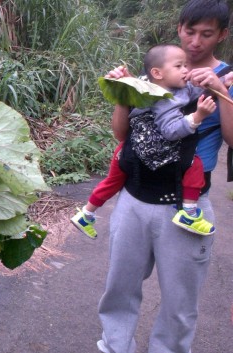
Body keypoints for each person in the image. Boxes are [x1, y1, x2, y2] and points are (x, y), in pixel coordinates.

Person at [96, 1, 233, 352]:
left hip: (187, 202)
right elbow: (122, 136)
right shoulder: (156, 70)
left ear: (222, 34)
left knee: (179, 301)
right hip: (135, 196)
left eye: (206, 34)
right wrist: (123, 92)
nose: (196, 42)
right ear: (179, 29)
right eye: (190, 32)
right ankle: (114, 346)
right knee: (119, 287)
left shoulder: (228, 77)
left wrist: (219, 90)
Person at [71, 43, 224, 239]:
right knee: (195, 165)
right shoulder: (164, 101)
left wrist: (221, 81)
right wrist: (198, 116)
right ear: (157, 73)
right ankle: (189, 212)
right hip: (148, 153)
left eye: (186, 65)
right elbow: (171, 131)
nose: (186, 70)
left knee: (111, 182)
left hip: (126, 152)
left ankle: (86, 213)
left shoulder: (160, 86)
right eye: (179, 66)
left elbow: (192, 91)